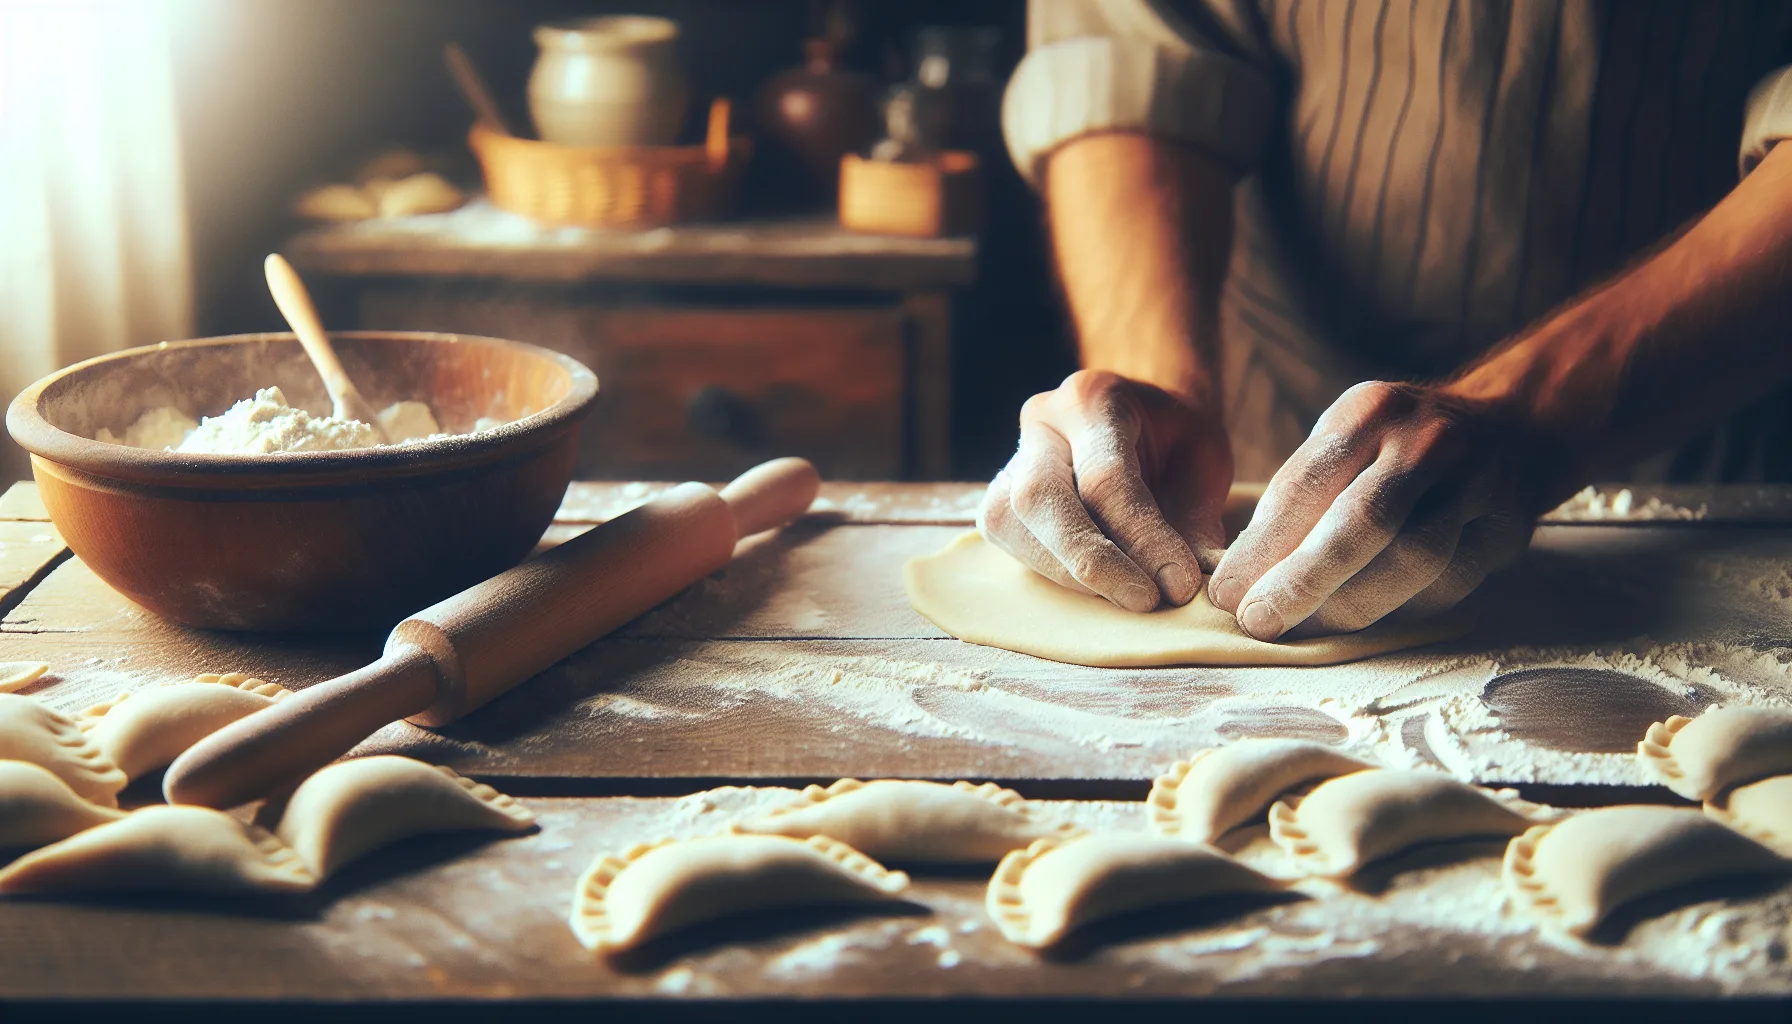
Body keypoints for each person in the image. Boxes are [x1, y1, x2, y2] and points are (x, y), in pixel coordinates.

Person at [981, 0, 1792, 640]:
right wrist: (1149, 401)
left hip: (1694, 470)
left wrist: (1537, 414)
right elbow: (1135, 58)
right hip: (1264, 428)